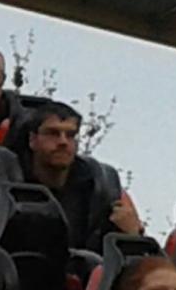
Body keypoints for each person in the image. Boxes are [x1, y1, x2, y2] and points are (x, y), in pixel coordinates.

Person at [18, 102, 143, 252]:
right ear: (32, 140)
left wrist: (132, 234)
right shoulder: (9, 178)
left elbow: (131, 255)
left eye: (70, 135)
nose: (63, 142)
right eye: (53, 133)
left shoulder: (97, 189)